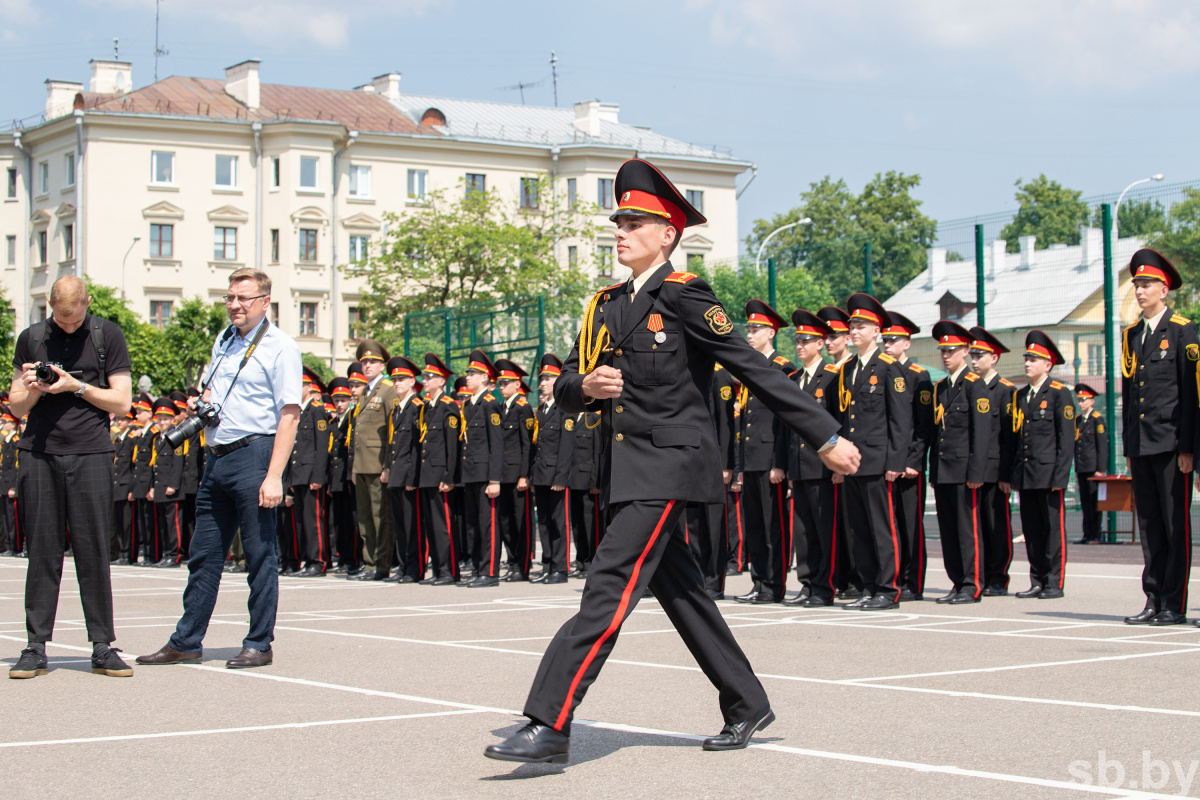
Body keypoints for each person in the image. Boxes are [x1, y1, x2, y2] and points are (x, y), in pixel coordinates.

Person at [484, 158, 860, 765]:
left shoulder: (686, 296)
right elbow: (569, 388)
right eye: (619, 220)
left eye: (635, 222)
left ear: (668, 235)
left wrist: (822, 434)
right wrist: (590, 387)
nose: (621, 230)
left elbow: (753, 366)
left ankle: (549, 720)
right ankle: (746, 700)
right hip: (625, 471)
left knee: (606, 586)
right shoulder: (606, 304)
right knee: (682, 592)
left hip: (667, 467)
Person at [136, 267, 301, 670]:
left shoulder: (281, 346)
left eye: (243, 298)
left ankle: (259, 642)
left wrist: (275, 475)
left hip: (256, 453)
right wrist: (202, 402)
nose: (234, 305)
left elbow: (290, 414)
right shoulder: (224, 340)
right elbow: (213, 390)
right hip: (218, 456)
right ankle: (186, 640)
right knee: (204, 555)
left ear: (265, 301)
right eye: (230, 297)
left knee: (260, 554)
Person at [7, 275, 134, 680]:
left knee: (93, 551)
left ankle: (102, 646)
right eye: (59, 319)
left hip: (92, 452)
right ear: (49, 304)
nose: (66, 325)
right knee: (42, 553)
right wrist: (36, 388)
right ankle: (35, 646)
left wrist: (76, 386)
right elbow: (16, 407)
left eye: (74, 318)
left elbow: (122, 401)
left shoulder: (106, 335)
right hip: (40, 453)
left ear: (87, 303)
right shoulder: (31, 337)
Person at [1118, 249, 1197, 626]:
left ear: (1164, 290)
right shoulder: (1132, 335)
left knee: (1173, 523)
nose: (1140, 291)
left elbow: (1191, 393)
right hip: (1142, 443)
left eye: (1147, 284)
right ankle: (1152, 597)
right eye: (1136, 284)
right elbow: (1130, 394)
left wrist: (1189, 447)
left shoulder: (1183, 330)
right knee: (1149, 524)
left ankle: (1173, 602)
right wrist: (1128, 446)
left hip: (1171, 444)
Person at [834, 293, 912, 610]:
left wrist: (895, 461)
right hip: (852, 462)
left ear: (877, 331)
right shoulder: (848, 368)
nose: (854, 331)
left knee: (882, 527)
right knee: (859, 528)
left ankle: (887, 588)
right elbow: (843, 417)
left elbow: (900, 421)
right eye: (852, 326)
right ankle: (867, 586)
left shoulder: (889, 368)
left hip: (878, 461)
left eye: (861, 326)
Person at [999, 330, 1074, 600]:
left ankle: (1054, 581)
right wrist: (1010, 474)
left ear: (1047, 364)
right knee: (1031, 529)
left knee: (1052, 529)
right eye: (1026, 358)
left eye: (1034, 359)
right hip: (1026, 473)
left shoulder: (1059, 394)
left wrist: (1060, 476)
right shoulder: (1020, 396)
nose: (1028, 363)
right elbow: (1014, 440)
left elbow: (1066, 440)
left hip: (1049, 473)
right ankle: (1037, 579)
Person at [734, 299, 795, 605]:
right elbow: (745, 420)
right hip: (752, 458)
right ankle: (759, 582)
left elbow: (785, 420)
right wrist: (741, 464)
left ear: (771, 333)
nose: (751, 334)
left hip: (770, 460)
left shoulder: (783, 368)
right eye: (749, 329)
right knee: (755, 525)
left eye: (756, 329)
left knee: (774, 527)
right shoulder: (751, 369)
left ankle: (775, 583)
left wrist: (779, 463)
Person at [928, 321, 992, 604]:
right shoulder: (941, 386)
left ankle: (972, 584)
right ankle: (957, 582)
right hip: (943, 470)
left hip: (965, 470)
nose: (945, 355)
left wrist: (976, 471)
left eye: (951, 350)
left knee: (967, 530)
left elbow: (981, 433)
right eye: (942, 350)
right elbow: (936, 431)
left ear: (965, 351)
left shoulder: (975, 386)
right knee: (949, 531)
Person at [783, 309, 839, 607]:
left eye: (806, 340)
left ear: (820, 344)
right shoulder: (794, 379)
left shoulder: (831, 377)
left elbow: (837, 422)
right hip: (800, 466)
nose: (799, 345)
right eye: (798, 340)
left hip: (822, 467)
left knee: (823, 529)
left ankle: (824, 586)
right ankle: (806, 584)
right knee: (803, 531)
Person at [881, 310, 934, 602]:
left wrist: (913, 461)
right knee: (892, 525)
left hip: (908, 464)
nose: (888, 344)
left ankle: (914, 581)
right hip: (888, 462)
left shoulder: (918, 376)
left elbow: (921, 425)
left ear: (907, 343)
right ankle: (897, 577)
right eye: (885, 340)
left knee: (910, 524)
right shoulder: (884, 370)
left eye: (894, 340)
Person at [818, 305, 862, 599]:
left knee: (856, 527)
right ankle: (844, 579)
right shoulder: (837, 373)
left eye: (835, 335)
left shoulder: (847, 371)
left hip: (855, 458)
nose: (830, 341)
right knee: (840, 526)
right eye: (827, 336)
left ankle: (858, 580)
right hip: (835, 461)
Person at [969, 326, 1016, 596]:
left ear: (994, 358)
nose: (974, 361)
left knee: (996, 524)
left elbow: (1009, 436)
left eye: (980, 356)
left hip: (996, 469)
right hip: (974, 468)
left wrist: (1006, 474)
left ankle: (998, 576)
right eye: (972, 355)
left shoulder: (1006, 391)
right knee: (976, 526)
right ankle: (982, 574)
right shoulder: (971, 388)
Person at [459, 350, 505, 587]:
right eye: (468, 373)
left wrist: (495, 479)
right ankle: (478, 568)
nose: (468, 377)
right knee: (474, 525)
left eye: (474, 373)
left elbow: (496, 445)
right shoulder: (468, 405)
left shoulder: (490, 404)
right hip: (471, 473)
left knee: (488, 525)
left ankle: (489, 572)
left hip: (486, 475)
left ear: (485, 378)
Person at [417, 353, 461, 585]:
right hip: (427, 475)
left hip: (441, 475)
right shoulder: (429, 407)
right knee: (431, 526)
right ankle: (437, 570)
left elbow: (452, 446)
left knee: (443, 525)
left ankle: (448, 570)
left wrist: (449, 476)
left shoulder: (447, 407)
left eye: (430, 376)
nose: (425, 380)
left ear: (442, 381)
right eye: (424, 376)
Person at [529, 354, 573, 584]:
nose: (542, 383)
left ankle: (560, 567)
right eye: (542, 378)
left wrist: (560, 476)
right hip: (541, 475)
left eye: (548, 378)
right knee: (544, 522)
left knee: (558, 522)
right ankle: (547, 565)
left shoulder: (565, 409)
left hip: (556, 477)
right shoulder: (541, 411)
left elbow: (566, 448)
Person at [383, 356, 424, 583]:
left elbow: (418, 446)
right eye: (394, 379)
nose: (397, 383)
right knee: (399, 524)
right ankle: (402, 566)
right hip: (396, 473)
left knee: (412, 525)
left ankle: (414, 568)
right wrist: (388, 468)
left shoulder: (417, 407)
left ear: (412, 381)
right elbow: (394, 444)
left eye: (401, 379)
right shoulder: (396, 409)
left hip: (409, 474)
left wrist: (412, 476)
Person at [494, 359, 535, 581]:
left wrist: (524, 474)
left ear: (517, 385)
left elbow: (526, 443)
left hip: (517, 475)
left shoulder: (523, 408)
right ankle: (511, 562)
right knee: (506, 521)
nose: (502, 387)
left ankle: (523, 564)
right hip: (502, 474)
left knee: (521, 521)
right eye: (500, 384)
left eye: (506, 383)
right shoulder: (501, 409)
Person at [289, 368, 331, 576]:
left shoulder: (317, 410)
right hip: (297, 474)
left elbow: (322, 446)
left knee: (313, 520)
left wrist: (318, 476)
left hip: (310, 474)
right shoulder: (296, 411)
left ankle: (318, 561)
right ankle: (307, 559)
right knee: (300, 521)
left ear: (309, 387)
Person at [150, 397, 185, 567]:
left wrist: (173, 484)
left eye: (165, 419)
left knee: (173, 523)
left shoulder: (175, 435)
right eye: (160, 419)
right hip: (159, 486)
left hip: (171, 487)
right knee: (163, 523)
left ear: (172, 420)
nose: (162, 422)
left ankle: (174, 555)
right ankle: (166, 553)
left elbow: (178, 462)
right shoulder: (157, 438)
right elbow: (155, 465)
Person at [1073, 383, 1108, 545]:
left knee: (1094, 503)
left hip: (1093, 468)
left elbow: (1102, 446)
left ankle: (1095, 534)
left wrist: (1101, 469)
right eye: (1079, 400)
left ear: (1092, 401)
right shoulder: (1078, 420)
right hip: (1082, 467)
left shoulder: (1097, 420)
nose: (1081, 403)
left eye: (1084, 400)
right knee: (1085, 503)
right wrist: (1077, 467)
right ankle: (1087, 534)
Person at [109, 411, 136, 565]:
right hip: (117, 485)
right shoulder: (117, 441)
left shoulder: (132, 440)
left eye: (122, 420)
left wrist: (132, 488)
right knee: (118, 523)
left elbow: (133, 466)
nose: (119, 423)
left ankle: (128, 554)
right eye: (117, 420)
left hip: (127, 486)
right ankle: (121, 553)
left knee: (127, 523)